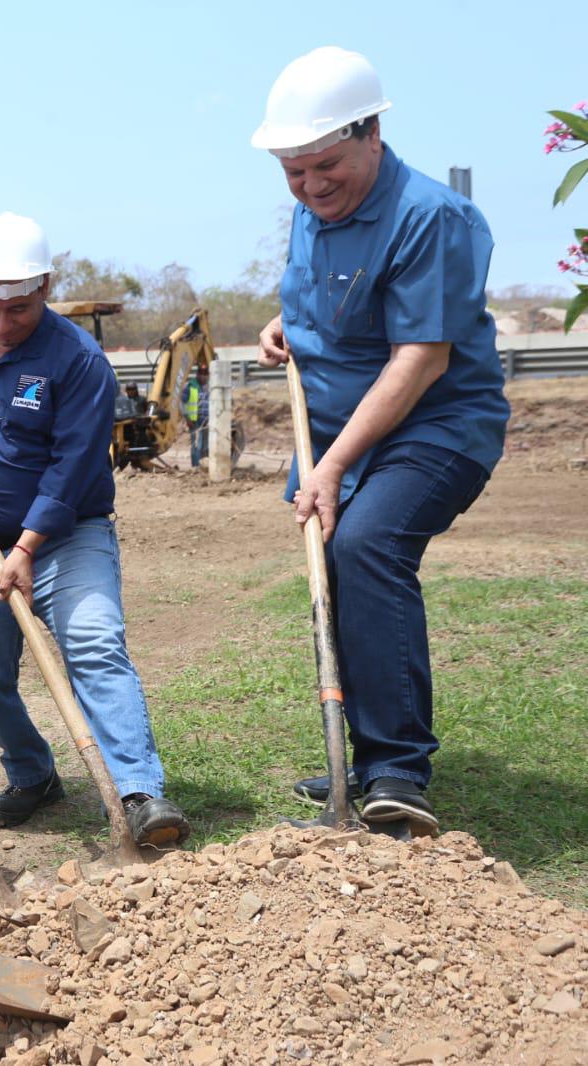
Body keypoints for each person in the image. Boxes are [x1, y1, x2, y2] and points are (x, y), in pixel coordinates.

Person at [251, 47, 508, 835]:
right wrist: (285, 324)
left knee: (366, 547)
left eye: (324, 165)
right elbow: (325, 299)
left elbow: (420, 358)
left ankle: (396, 770)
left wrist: (328, 466)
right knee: (331, 567)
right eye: (293, 172)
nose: (309, 186)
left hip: (434, 424)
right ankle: (358, 760)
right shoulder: (310, 209)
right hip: (337, 429)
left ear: (370, 134)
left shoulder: (431, 217)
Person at [0, 213, 189, 846]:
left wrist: (27, 549)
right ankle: (33, 773)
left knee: (91, 639)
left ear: (45, 287)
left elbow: (72, 466)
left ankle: (140, 792)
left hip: (67, 536)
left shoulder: (78, 361)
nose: (1, 324)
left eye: (18, 310)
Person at [181, 363, 209, 468]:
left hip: (207, 420)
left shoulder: (210, 386)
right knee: (197, 444)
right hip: (195, 420)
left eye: (205, 373)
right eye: (201, 373)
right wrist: (187, 418)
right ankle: (196, 466)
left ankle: (204, 465)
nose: (203, 376)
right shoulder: (191, 385)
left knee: (206, 445)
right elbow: (182, 403)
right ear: (197, 374)